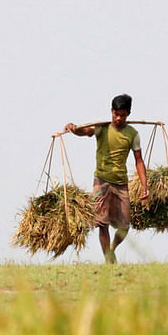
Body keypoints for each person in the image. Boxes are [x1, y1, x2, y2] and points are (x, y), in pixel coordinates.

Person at [65, 94, 148, 264]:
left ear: (128, 114)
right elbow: (85, 132)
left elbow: (139, 161)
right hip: (101, 181)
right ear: (111, 111)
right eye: (116, 114)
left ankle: (112, 248)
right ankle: (108, 259)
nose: (118, 118)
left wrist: (145, 186)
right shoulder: (101, 128)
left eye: (122, 115)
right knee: (102, 223)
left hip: (121, 183)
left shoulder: (133, 134)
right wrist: (75, 129)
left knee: (124, 227)